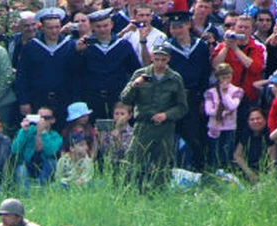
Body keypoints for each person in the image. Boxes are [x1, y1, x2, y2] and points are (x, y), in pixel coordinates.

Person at [119, 44, 188, 187]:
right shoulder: (140, 74)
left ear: (168, 59)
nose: (160, 63)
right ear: (151, 58)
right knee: (132, 161)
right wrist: (135, 85)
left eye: (163, 60)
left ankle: (158, 193)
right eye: (157, 59)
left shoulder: (175, 79)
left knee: (161, 165)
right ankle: (127, 191)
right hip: (143, 126)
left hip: (165, 128)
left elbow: (182, 107)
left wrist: (167, 115)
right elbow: (125, 99)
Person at [164, 10, 212, 171]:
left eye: (181, 26)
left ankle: (199, 169)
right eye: (174, 27)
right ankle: (171, 168)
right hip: (173, 98)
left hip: (193, 96)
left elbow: (205, 72)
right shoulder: (166, 48)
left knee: (194, 134)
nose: (177, 30)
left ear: (188, 25)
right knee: (171, 134)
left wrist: (203, 97)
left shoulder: (201, 46)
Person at [15, 8, 78, 124]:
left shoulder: (69, 46)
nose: (54, 31)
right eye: (50, 28)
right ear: (42, 27)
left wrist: (74, 100)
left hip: (63, 99)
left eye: (57, 27)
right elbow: (22, 76)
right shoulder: (31, 47)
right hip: (38, 99)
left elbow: (76, 75)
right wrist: (24, 101)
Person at [75, 8, 141, 119]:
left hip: (118, 97)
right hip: (93, 97)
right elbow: (76, 72)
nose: (102, 30)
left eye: (105, 25)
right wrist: (78, 53)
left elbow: (135, 71)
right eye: (98, 26)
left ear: (112, 24)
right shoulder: (86, 47)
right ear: (92, 27)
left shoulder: (123, 45)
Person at [204, 63, 245, 168]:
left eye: (228, 77)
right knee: (214, 153)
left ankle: (224, 172)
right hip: (214, 126)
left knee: (226, 153)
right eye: (223, 77)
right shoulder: (210, 92)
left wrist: (225, 93)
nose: (226, 80)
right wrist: (221, 113)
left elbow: (232, 106)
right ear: (218, 78)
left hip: (229, 127)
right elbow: (208, 110)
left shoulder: (237, 91)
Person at [12, 105, 64, 187]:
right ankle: (26, 195)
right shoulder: (28, 130)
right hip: (27, 164)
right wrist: (23, 132)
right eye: (40, 117)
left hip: (45, 166)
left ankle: (41, 189)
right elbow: (15, 150)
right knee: (21, 169)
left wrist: (42, 133)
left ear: (52, 120)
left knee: (52, 163)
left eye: (46, 118)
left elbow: (50, 152)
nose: (42, 120)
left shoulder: (56, 136)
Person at [233, 106, 275, 180]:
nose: (255, 121)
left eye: (258, 118)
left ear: (265, 119)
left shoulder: (270, 135)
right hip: (247, 171)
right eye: (252, 119)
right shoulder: (245, 134)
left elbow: (273, 159)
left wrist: (269, 177)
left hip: (264, 172)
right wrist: (249, 173)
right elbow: (237, 155)